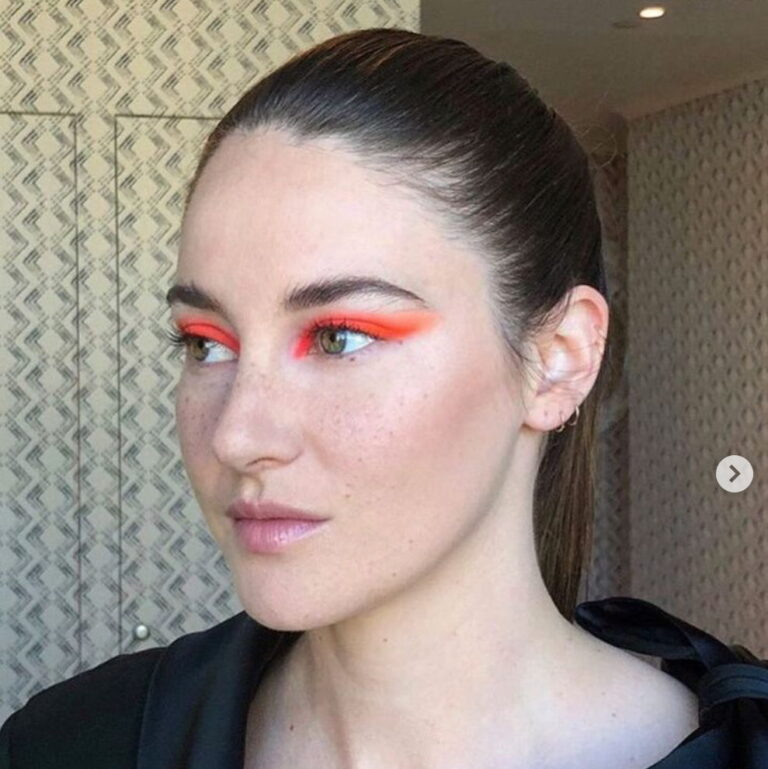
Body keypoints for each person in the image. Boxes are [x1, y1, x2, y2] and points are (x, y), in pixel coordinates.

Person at [1, 27, 767, 769]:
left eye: (338, 336)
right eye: (206, 342)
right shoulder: (68, 744)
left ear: (558, 360)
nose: (237, 434)